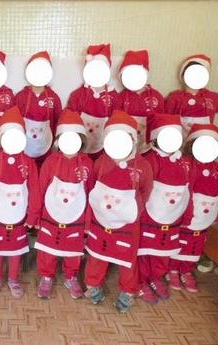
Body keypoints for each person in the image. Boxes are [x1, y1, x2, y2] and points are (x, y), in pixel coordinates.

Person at [85, 110, 153, 313]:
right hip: (100, 221)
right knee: (97, 256)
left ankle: (128, 291)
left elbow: (146, 190)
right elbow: (92, 192)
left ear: (133, 140)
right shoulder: (100, 163)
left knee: (127, 260)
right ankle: (93, 285)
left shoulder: (143, 166)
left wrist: (134, 209)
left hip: (128, 224)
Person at [0, 106, 41, 299]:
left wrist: (33, 215)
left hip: (19, 217)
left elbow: (35, 191)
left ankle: (13, 278)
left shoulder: (29, 163)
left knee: (16, 251)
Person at [35, 109, 94, 299]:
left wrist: (87, 222)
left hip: (76, 217)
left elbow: (91, 194)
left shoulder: (88, 164)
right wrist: (36, 216)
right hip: (50, 215)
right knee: (47, 250)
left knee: (73, 250)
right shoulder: (50, 162)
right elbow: (40, 189)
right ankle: (46, 276)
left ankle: (71, 276)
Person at [138, 114, 192, 304]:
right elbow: (142, 188)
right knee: (145, 251)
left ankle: (156, 277)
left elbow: (188, 190)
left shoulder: (184, 163)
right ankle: (141, 281)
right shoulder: (148, 160)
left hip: (172, 217)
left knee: (163, 251)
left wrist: (188, 213)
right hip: (149, 217)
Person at [169, 124, 218, 292]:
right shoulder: (186, 164)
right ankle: (173, 269)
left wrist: (217, 212)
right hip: (186, 213)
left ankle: (186, 270)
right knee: (180, 242)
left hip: (205, 215)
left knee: (195, 245)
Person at [67, 44, 121, 159]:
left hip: (104, 148)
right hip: (79, 147)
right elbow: (70, 121)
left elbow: (117, 123)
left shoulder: (114, 97)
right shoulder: (77, 95)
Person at [16, 51, 62, 164]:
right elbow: (15, 121)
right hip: (24, 145)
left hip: (45, 145)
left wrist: (57, 143)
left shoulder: (53, 98)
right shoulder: (21, 96)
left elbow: (58, 121)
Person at [119, 50, 164, 154]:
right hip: (125, 149)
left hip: (149, 148)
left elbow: (161, 124)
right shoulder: (120, 98)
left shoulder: (157, 97)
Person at [165, 54, 218, 134]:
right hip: (180, 142)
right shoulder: (174, 97)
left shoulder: (212, 97)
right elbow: (165, 121)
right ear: (182, 75)